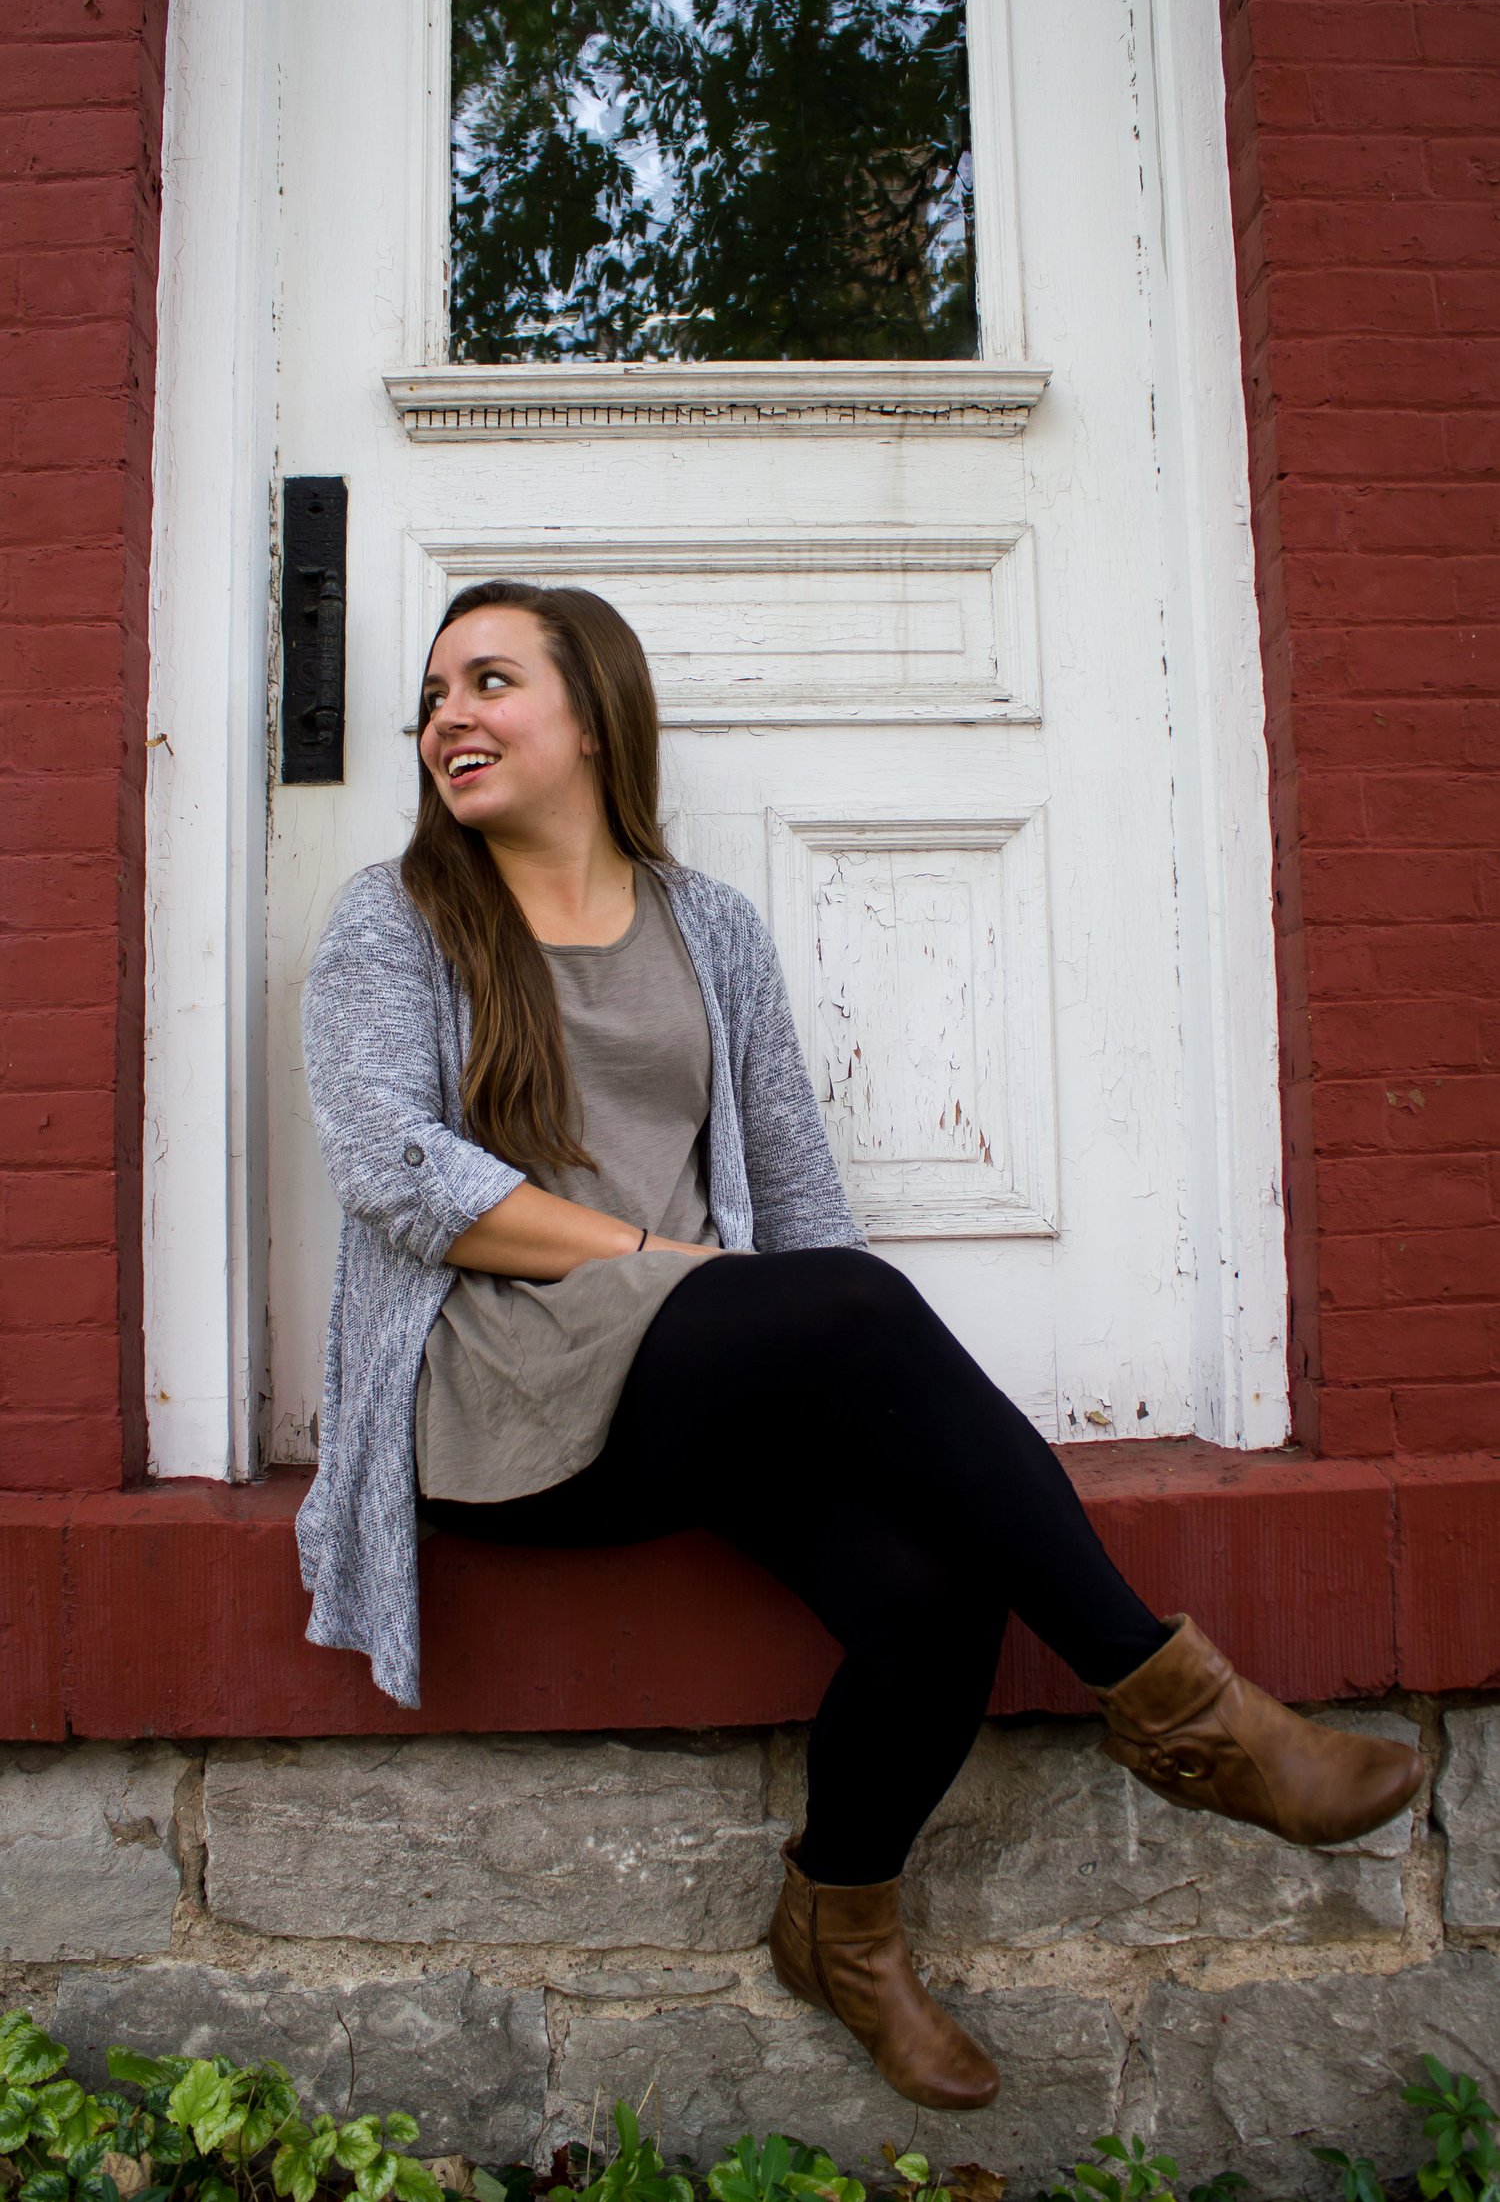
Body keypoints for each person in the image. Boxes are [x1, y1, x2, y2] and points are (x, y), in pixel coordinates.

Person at [296, 579, 1425, 2116]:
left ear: (595, 715)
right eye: (432, 698)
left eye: (488, 682)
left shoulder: (710, 926)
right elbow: (394, 1169)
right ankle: (1184, 1711)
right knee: (846, 1305)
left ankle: (841, 1925)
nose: (447, 719)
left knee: (939, 1588)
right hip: (489, 1390)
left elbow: (801, 1197)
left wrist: (794, 1345)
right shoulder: (398, 917)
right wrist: (666, 1265)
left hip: (681, 1373)